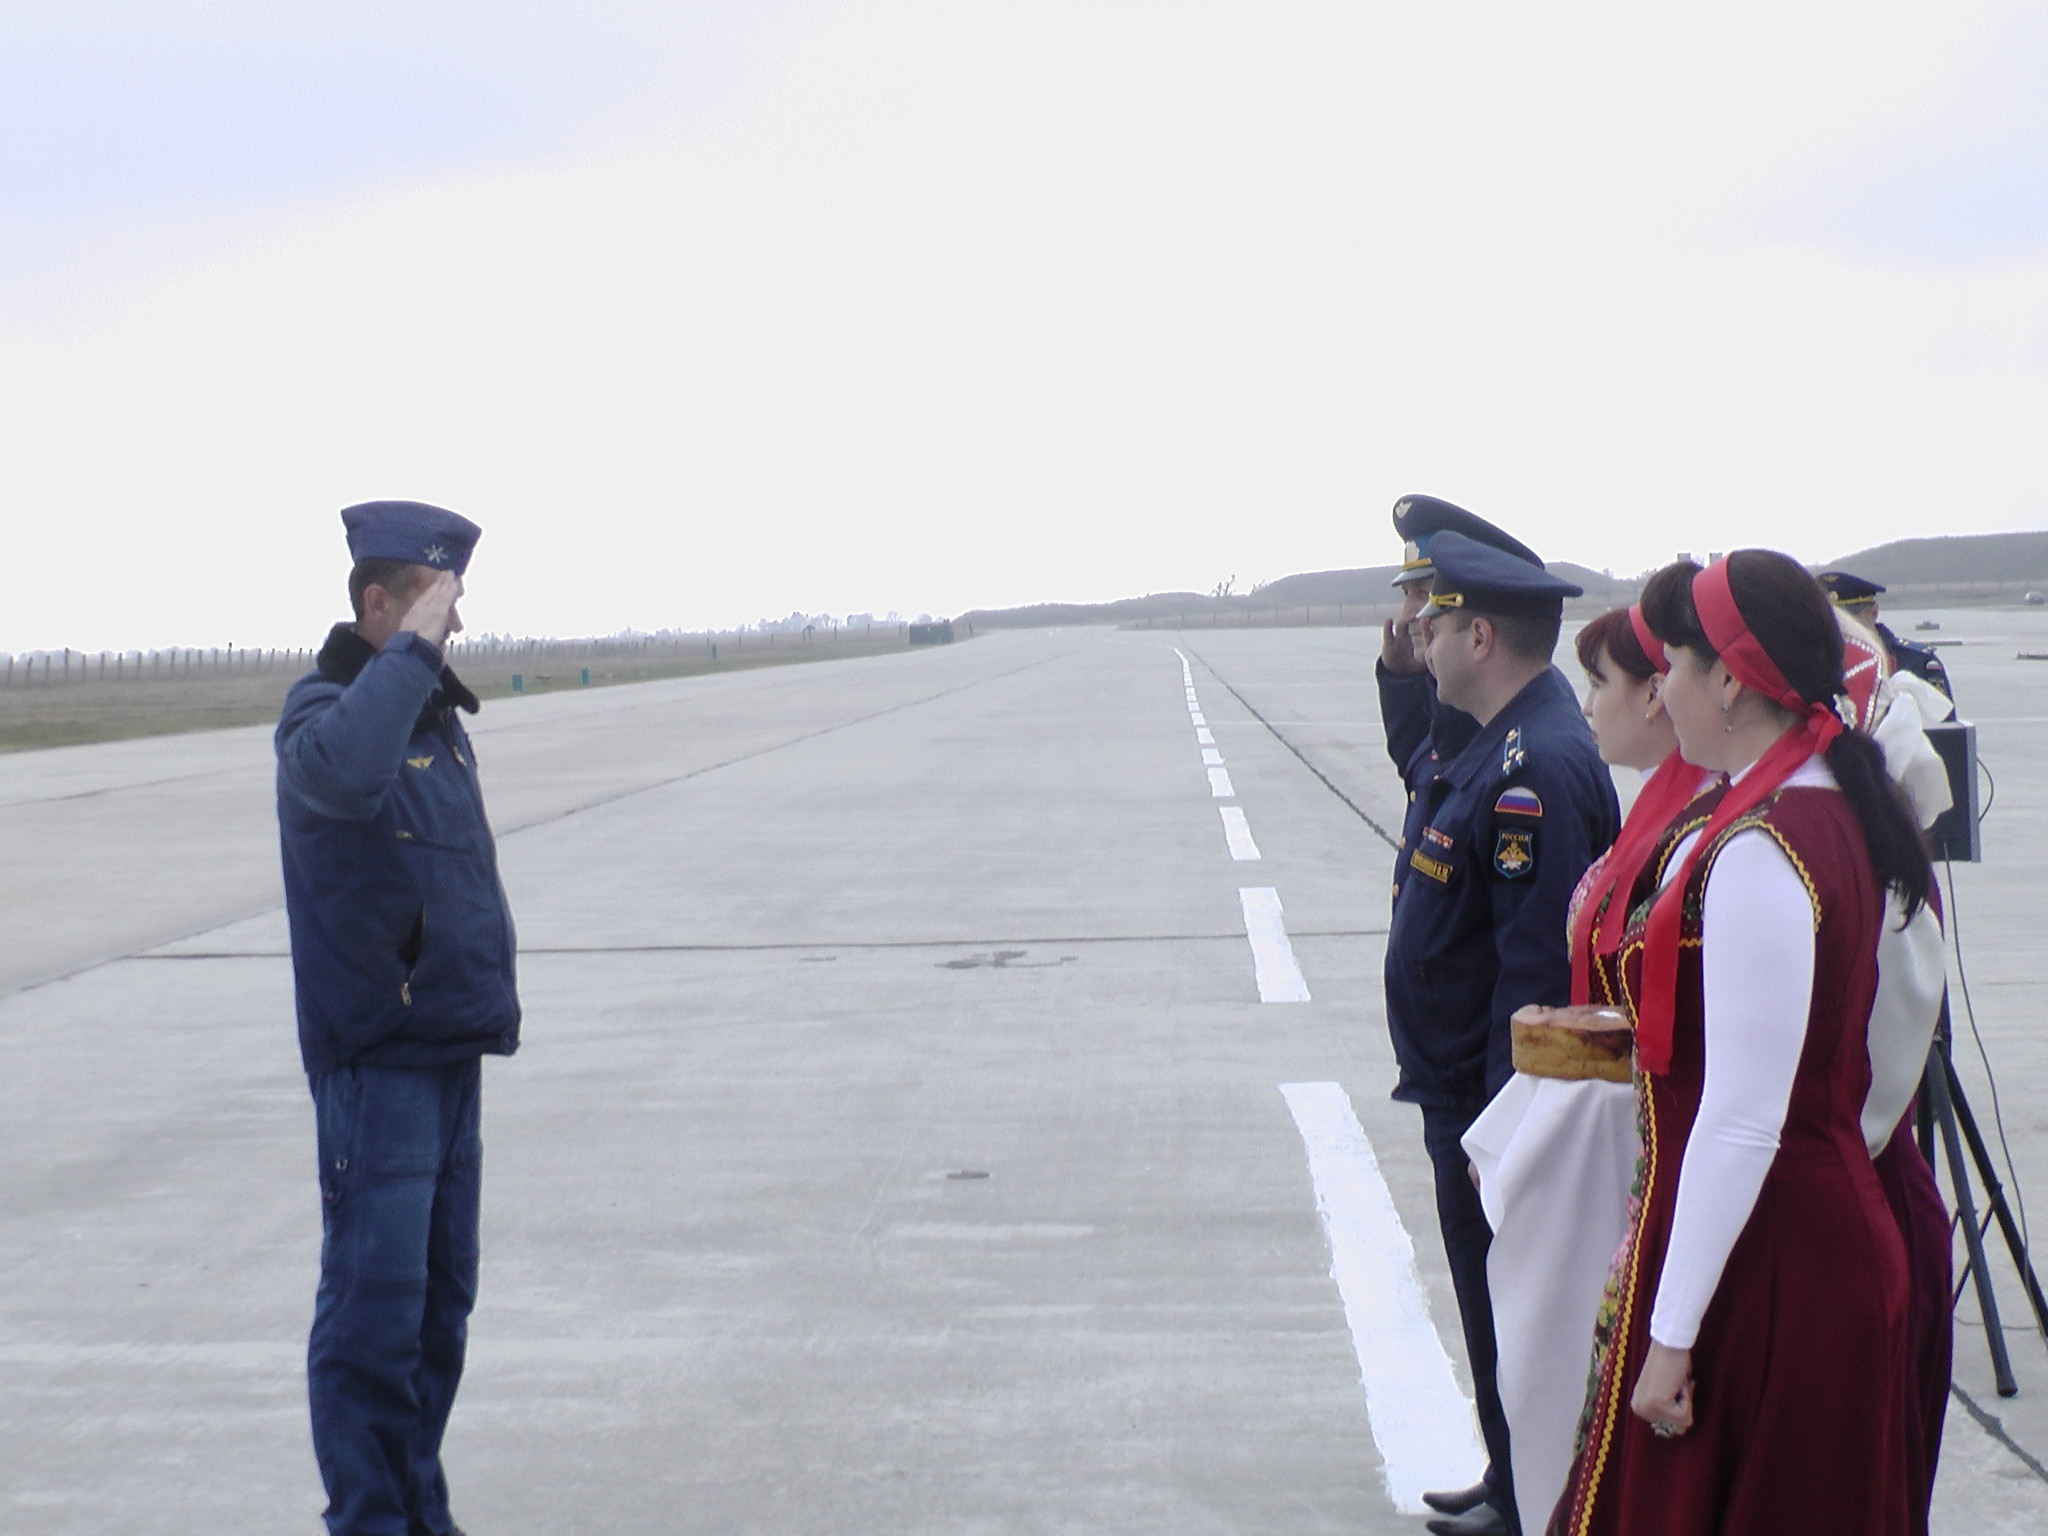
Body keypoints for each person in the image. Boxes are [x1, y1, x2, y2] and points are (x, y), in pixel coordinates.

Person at [1551, 551, 1929, 1536]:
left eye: (1671, 663)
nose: (1659, 689)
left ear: (1725, 678)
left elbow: (1741, 1117)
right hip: (1789, 1246)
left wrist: (1669, 1336)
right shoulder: (1825, 803)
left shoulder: (1764, 845)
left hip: (1772, 1266)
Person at [277, 500, 518, 1536]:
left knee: (434, 1314)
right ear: (379, 604)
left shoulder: (432, 720)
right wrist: (410, 653)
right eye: (435, 603)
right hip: (378, 1064)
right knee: (372, 1316)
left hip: (448, 1047)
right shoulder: (321, 717)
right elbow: (345, 776)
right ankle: (370, 1521)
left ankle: (420, 1512)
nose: (454, 627)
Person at [1462, 600, 1720, 1535]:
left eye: (1603, 682)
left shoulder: (1703, 826)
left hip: (1634, 1155)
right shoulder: (1660, 806)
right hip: (1600, 1141)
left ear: (1658, 695)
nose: (1589, 703)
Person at [1383, 530, 1622, 1536]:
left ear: (1479, 634)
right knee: (1488, 1312)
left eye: (1431, 624)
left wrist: (1500, 1132)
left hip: (1485, 1102)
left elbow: (1531, 971)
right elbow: (1420, 763)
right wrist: (1399, 676)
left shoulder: (1538, 770)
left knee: (1514, 1320)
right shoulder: (1490, 739)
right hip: (1454, 1089)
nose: (1416, 635)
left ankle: (1531, 1501)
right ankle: (1507, 1476)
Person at [1815, 570, 1954, 706]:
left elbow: (1943, 725)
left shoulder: (1916, 662)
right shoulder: (1808, 663)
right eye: (1828, 619)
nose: (1839, 627)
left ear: (1873, 614)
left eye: (1848, 620)